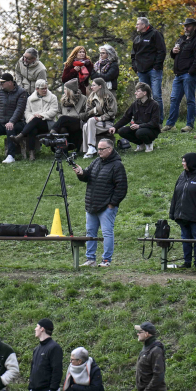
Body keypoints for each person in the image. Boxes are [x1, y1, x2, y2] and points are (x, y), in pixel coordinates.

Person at [73, 138, 128, 267]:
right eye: (98, 149)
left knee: (107, 233)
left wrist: (112, 204)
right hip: (91, 205)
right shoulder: (96, 162)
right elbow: (87, 176)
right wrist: (81, 173)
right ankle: (90, 259)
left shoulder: (117, 165)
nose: (99, 151)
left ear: (110, 149)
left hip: (106, 207)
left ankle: (106, 260)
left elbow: (122, 188)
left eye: (102, 149)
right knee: (90, 233)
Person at [169, 153, 196, 269]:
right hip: (182, 214)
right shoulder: (182, 175)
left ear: (190, 162)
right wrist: (172, 212)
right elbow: (176, 194)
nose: (183, 164)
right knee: (185, 238)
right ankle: (187, 262)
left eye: (184, 161)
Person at [163, 18, 196, 133]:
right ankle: (170, 124)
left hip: (189, 75)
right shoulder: (181, 40)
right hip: (178, 75)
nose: (186, 28)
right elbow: (174, 56)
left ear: (195, 27)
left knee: (190, 100)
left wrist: (190, 72)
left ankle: (189, 125)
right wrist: (173, 51)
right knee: (174, 99)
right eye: (185, 26)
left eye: (189, 26)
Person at [13, 79, 59, 161]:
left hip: (48, 123)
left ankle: (20, 136)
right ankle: (32, 154)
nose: (45, 90)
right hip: (34, 123)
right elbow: (27, 112)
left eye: (46, 88)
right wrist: (31, 118)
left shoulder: (52, 97)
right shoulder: (30, 98)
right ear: (37, 89)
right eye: (42, 89)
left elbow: (53, 111)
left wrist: (41, 115)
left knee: (36, 120)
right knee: (32, 129)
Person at [131, 17, 166, 123]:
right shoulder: (137, 38)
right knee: (143, 96)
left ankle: (158, 121)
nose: (136, 26)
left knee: (156, 95)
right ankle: (145, 119)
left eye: (138, 24)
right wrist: (135, 68)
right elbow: (133, 55)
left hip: (154, 70)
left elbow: (162, 51)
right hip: (141, 71)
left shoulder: (155, 34)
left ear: (144, 25)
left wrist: (156, 66)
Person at [109, 82, 161, 152]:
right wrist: (115, 127)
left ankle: (148, 143)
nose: (135, 93)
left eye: (138, 91)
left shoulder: (154, 104)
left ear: (145, 93)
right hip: (138, 129)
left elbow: (154, 123)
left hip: (151, 130)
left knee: (140, 132)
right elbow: (126, 117)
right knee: (121, 131)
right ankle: (140, 144)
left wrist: (139, 126)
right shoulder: (135, 104)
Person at [80, 78, 117, 157]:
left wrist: (100, 118)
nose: (91, 87)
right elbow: (87, 111)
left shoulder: (109, 96)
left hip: (107, 123)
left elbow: (112, 112)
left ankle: (90, 148)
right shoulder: (91, 96)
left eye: (94, 85)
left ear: (100, 86)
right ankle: (89, 149)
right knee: (85, 125)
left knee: (90, 122)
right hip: (94, 122)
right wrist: (95, 110)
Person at [51, 78, 88, 151]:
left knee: (63, 118)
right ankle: (64, 151)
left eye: (65, 89)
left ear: (69, 90)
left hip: (77, 122)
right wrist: (60, 116)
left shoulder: (83, 98)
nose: (63, 91)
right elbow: (58, 112)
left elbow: (87, 113)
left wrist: (78, 116)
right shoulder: (63, 98)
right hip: (65, 122)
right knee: (62, 129)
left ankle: (52, 133)